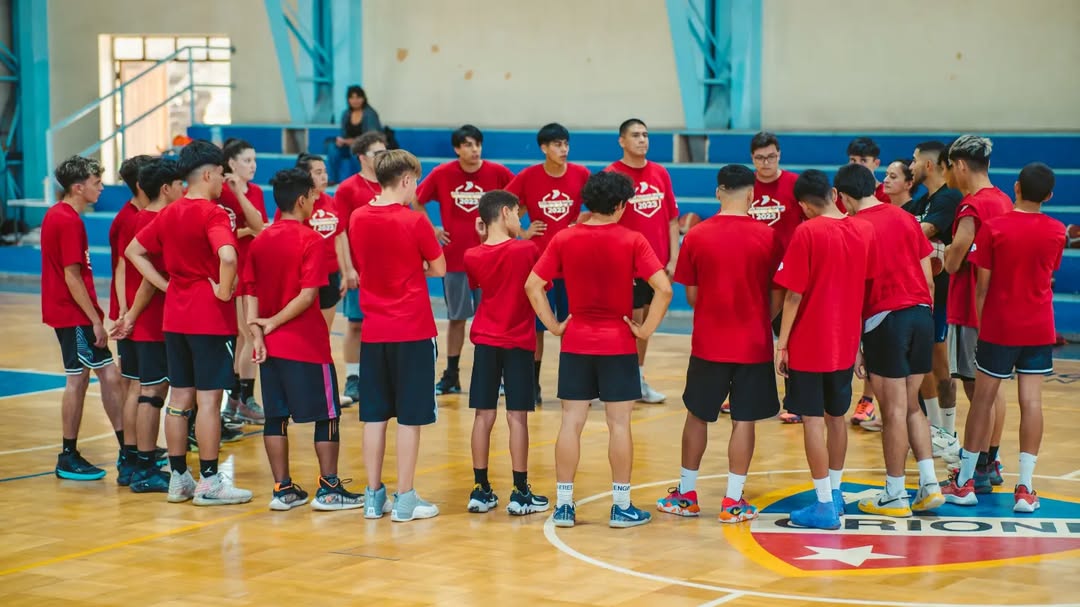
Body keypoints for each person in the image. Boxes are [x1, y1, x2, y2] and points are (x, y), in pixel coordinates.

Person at [526, 171, 673, 529]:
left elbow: (532, 285)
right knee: (619, 424)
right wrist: (645, 330)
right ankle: (621, 506)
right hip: (618, 344)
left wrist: (554, 326)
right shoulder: (633, 239)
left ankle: (564, 506)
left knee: (570, 423)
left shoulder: (564, 237)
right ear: (620, 205)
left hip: (576, 341)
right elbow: (664, 289)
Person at [126, 139, 252, 506]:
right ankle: (210, 481)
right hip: (209, 317)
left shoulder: (169, 212)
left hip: (175, 316)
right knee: (209, 400)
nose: (223, 182)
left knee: (179, 397)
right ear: (209, 175)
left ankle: (179, 477)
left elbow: (134, 251)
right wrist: (225, 292)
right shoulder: (213, 213)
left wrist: (168, 285)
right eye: (222, 176)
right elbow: (228, 256)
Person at [655, 164, 782, 523]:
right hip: (753, 343)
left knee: (697, 415)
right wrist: (757, 316)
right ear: (752, 195)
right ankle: (733, 501)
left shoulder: (696, 235)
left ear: (717, 192)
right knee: (744, 419)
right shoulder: (769, 237)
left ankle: (686, 495)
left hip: (709, 343)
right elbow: (777, 296)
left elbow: (692, 296)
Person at [947, 163, 1065, 511]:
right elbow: (1047, 273)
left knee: (982, 401)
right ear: (1049, 195)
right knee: (1032, 403)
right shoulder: (1056, 231)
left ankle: (965, 482)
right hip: (1039, 327)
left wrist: (985, 327)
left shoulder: (994, 228)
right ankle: (1025, 488)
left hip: (999, 326)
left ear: (1016, 187)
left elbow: (981, 287)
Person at [244, 168, 364, 511]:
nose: (315, 202)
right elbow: (308, 295)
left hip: (271, 348)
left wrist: (257, 332)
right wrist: (272, 323)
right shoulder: (310, 239)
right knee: (327, 415)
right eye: (312, 197)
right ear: (301, 200)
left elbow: (250, 291)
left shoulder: (260, 240)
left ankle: (282, 490)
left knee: (275, 417)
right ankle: (330, 489)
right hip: (306, 344)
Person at [838, 164, 944, 517]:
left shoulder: (852, 227)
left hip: (886, 319)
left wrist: (856, 344)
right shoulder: (905, 218)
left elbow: (853, 291)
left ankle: (895, 493)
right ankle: (929, 484)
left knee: (894, 411)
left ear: (843, 197)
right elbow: (929, 277)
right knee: (912, 405)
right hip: (921, 315)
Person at [773, 169, 875, 530]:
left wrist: (782, 344)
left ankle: (822, 505)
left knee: (813, 420)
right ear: (833, 192)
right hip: (845, 342)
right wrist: (859, 342)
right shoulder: (863, 229)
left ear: (802, 205)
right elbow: (864, 289)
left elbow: (793, 295)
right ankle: (835, 493)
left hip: (810, 342)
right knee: (836, 417)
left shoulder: (806, 232)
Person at [350, 149, 446, 522]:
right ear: (405, 180)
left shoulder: (357, 217)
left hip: (374, 331)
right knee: (410, 417)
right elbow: (439, 267)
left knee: (374, 416)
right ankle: (405, 498)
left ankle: (373, 498)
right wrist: (414, 265)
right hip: (412, 329)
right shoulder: (414, 220)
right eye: (415, 182)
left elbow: (364, 263)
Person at [463, 190, 550, 515]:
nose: (520, 220)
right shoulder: (527, 249)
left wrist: (481, 238)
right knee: (517, 417)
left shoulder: (471, 255)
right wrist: (555, 325)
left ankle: (480, 489)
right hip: (518, 342)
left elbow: (481, 282)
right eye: (516, 213)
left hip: (485, 340)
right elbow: (540, 291)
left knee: (482, 416)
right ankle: (520, 491)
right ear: (504, 213)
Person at [413, 125, 514, 395]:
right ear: (457, 149)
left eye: (478, 144)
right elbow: (417, 200)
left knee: (494, 320)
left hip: (491, 260)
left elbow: (517, 201)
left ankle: (497, 376)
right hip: (455, 259)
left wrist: (507, 231)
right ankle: (451, 375)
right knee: (456, 318)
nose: (475, 149)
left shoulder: (497, 172)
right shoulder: (442, 173)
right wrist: (432, 229)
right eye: (468, 144)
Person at [41, 155, 125, 481]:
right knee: (83, 379)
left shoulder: (60, 215)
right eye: (96, 183)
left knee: (105, 376)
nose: (101, 188)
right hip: (73, 314)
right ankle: (70, 454)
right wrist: (94, 320)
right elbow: (72, 276)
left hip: (72, 313)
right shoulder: (67, 220)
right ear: (78, 187)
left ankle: (127, 448)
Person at [940, 135, 1014, 499]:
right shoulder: (1003, 199)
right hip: (998, 306)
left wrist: (942, 257)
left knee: (976, 391)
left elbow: (955, 258)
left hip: (971, 306)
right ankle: (990, 462)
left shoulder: (972, 205)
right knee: (992, 388)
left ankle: (978, 468)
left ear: (959, 165)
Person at [504, 123, 591, 405]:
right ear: (544, 148)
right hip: (540, 267)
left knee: (573, 326)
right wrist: (522, 231)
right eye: (557, 144)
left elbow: (598, 206)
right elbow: (503, 207)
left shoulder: (581, 174)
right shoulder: (528, 176)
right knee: (537, 328)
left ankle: (573, 384)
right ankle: (533, 385)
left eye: (566, 144)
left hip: (575, 265)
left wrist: (584, 221)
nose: (563, 149)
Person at [113, 158, 185, 493]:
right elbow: (146, 280)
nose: (184, 189)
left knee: (138, 388)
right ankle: (144, 466)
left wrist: (126, 312)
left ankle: (131, 461)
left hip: (136, 316)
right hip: (151, 319)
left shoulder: (138, 217)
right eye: (180, 184)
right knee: (152, 392)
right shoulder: (158, 220)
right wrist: (134, 312)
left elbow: (124, 266)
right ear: (166, 188)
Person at [605, 118, 678, 404]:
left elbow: (672, 219)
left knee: (646, 323)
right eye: (635, 135)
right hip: (624, 265)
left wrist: (673, 258)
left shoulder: (660, 172)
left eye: (645, 135)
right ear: (622, 141)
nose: (642, 140)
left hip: (655, 265)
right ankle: (619, 380)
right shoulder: (612, 174)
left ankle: (637, 378)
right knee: (628, 323)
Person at [906, 141, 964, 461]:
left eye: (914, 161)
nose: (911, 166)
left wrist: (906, 232)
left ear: (928, 165)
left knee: (942, 368)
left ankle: (949, 433)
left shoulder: (949, 197)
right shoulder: (920, 202)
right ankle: (936, 430)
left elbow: (924, 231)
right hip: (920, 296)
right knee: (923, 365)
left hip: (944, 296)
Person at [746, 132, 803, 423]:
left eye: (771, 156)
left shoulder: (795, 184)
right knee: (751, 336)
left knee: (790, 338)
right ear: (752, 158)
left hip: (788, 276)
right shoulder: (745, 187)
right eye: (760, 158)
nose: (766, 163)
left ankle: (795, 401)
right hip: (753, 273)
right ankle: (745, 394)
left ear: (779, 154)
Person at [109, 154, 154, 484]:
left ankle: (133, 452)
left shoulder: (137, 215)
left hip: (136, 309)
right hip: (135, 311)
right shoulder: (130, 219)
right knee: (136, 384)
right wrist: (126, 313)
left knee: (134, 383)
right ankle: (131, 455)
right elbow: (124, 266)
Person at [334, 131, 388, 405]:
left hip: (388, 269)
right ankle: (353, 377)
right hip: (360, 268)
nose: (383, 157)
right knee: (356, 324)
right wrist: (348, 269)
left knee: (385, 324)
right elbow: (340, 231)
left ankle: (380, 375)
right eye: (378, 153)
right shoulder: (348, 188)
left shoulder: (392, 184)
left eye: (385, 152)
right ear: (362, 157)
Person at [217, 138, 267, 429]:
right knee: (245, 335)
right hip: (232, 269)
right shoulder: (220, 192)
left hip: (252, 268)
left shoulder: (254, 191)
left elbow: (259, 225)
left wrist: (249, 226)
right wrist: (248, 230)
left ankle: (238, 399)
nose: (253, 165)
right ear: (231, 163)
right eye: (247, 160)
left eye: (254, 160)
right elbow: (224, 232)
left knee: (246, 334)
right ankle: (242, 398)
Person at [274, 154, 347, 330]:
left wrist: (345, 272)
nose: (324, 177)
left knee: (324, 332)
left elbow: (338, 236)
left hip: (329, 275)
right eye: (318, 172)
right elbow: (282, 239)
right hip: (303, 277)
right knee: (301, 330)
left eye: (325, 172)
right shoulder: (294, 205)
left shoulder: (331, 201)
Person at [327, 85, 383, 184]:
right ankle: (332, 179)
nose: (355, 100)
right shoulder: (346, 113)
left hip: (366, 147)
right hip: (349, 145)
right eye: (352, 97)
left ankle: (361, 180)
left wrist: (354, 142)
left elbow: (372, 137)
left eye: (358, 97)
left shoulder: (370, 114)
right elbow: (344, 134)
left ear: (363, 98)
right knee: (333, 148)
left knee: (355, 151)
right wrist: (341, 141)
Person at [846, 136, 891, 204]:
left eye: (863, 160)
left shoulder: (887, 194)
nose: (857, 165)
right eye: (853, 160)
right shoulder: (842, 193)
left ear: (876, 163)